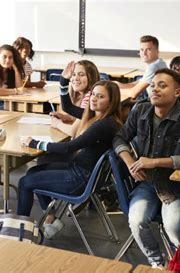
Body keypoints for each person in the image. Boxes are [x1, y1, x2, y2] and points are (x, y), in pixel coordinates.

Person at [113, 68, 180, 268]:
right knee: (137, 220)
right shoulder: (140, 110)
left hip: (177, 186)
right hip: (147, 183)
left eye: (162, 86)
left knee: (173, 227)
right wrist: (130, 162)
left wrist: (155, 161)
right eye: (153, 85)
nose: (154, 89)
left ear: (178, 91)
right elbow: (120, 138)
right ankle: (157, 263)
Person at [17, 81, 122, 239]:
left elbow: (68, 148)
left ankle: (19, 232)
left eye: (100, 97)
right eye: (93, 94)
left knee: (25, 182)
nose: (94, 99)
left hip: (79, 179)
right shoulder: (104, 120)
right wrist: (64, 82)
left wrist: (35, 143)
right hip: (83, 173)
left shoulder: (102, 125)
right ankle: (51, 218)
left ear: (111, 102)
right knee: (33, 171)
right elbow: (69, 108)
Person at [115, 35, 167, 100]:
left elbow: (133, 94)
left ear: (157, 51)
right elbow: (139, 83)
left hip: (156, 105)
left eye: (148, 49)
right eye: (142, 50)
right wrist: (119, 85)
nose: (144, 53)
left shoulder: (153, 67)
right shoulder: (160, 62)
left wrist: (113, 90)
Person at [50, 60, 100, 125]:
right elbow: (79, 117)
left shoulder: (91, 97)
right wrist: (64, 117)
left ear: (91, 78)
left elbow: (74, 131)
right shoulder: (79, 95)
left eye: (81, 75)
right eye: (73, 74)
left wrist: (57, 124)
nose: (76, 78)